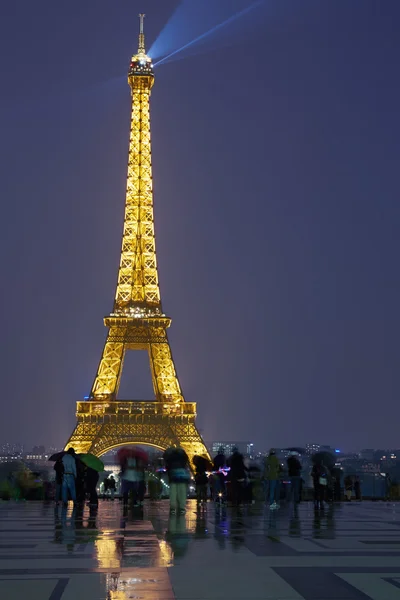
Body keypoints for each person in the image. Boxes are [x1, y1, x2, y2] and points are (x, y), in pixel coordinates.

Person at [163, 447, 190, 515]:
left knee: (173, 493)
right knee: (182, 492)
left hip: (173, 476)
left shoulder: (170, 457)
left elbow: (167, 466)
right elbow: (185, 463)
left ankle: (172, 508)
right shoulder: (183, 457)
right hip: (182, 475)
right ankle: (182, 508)